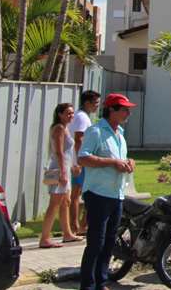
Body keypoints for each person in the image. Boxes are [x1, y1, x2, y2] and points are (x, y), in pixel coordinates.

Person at [77, 93, 136, 290]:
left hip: (116, 194)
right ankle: (88, 284)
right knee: (96, 243)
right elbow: (83, 158)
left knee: (110, 243)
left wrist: (129, 163)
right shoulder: (96, 131)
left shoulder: (120, 134)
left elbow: (122, 158)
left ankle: (102, 281)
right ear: (111, 110)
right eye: (124, 109)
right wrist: (112, 163)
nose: (128, 113)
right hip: (98, 194)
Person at [39, 103, 82, 248]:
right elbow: (59, 152)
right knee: (55, 203)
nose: (71, 116)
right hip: (58, 169)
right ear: (60, 114)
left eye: (72, 113)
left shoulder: (65, 129)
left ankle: (67, 233)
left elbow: (69, 153)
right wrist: (63, 172)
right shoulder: (58, 129)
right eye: (68, 113)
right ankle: (44, 238)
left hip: (64, 169)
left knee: (66, 202)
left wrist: (73, 166)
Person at [69, 90, 100, 236]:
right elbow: (79, 139)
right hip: (81, 163)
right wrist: (80, 161)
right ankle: (77, 226)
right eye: (95, 103)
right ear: (87, 103)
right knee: (79, 194)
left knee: (78, 193)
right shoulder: (82, 117)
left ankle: (79, 225)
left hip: (79, 161)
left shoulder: (82, 116)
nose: (97, 106)